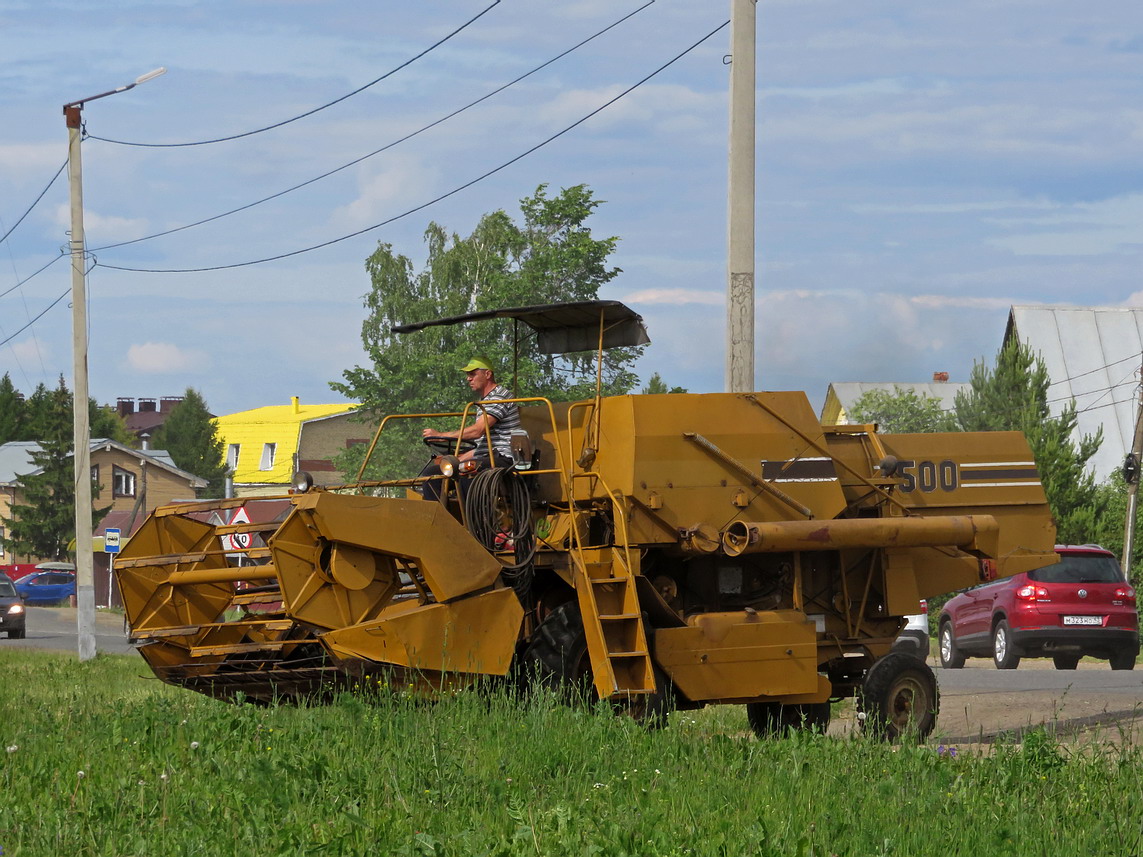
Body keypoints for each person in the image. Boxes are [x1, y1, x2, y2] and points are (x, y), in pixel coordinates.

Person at [418, 356, 521, 498]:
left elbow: (478, 431)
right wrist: (454, 459)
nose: (468, 379)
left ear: (488, 374)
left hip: (504, 458)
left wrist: (442, 436)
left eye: (472, 374)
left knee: (467, 470)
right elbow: (481, 447)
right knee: (432, 475)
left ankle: (473, 518)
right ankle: (440, 518)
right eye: (467, 375)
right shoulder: (484, 401)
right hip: (487, 457)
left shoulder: (500, 396)